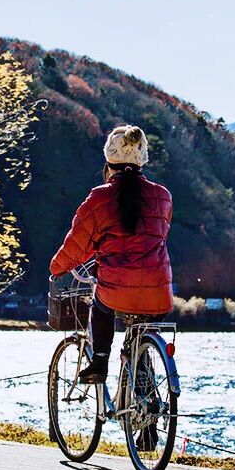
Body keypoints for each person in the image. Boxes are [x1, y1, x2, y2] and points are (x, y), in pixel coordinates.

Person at [50, 125, 173, 385]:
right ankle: (142, 381)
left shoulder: (100, 197)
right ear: (143, 161)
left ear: (109, 161)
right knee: (141, 336)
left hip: (115, 290)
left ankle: (100, 362)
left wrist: (57, 268)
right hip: (160, 292)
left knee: (102, 306)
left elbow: (78, 244)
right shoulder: (162, 196)